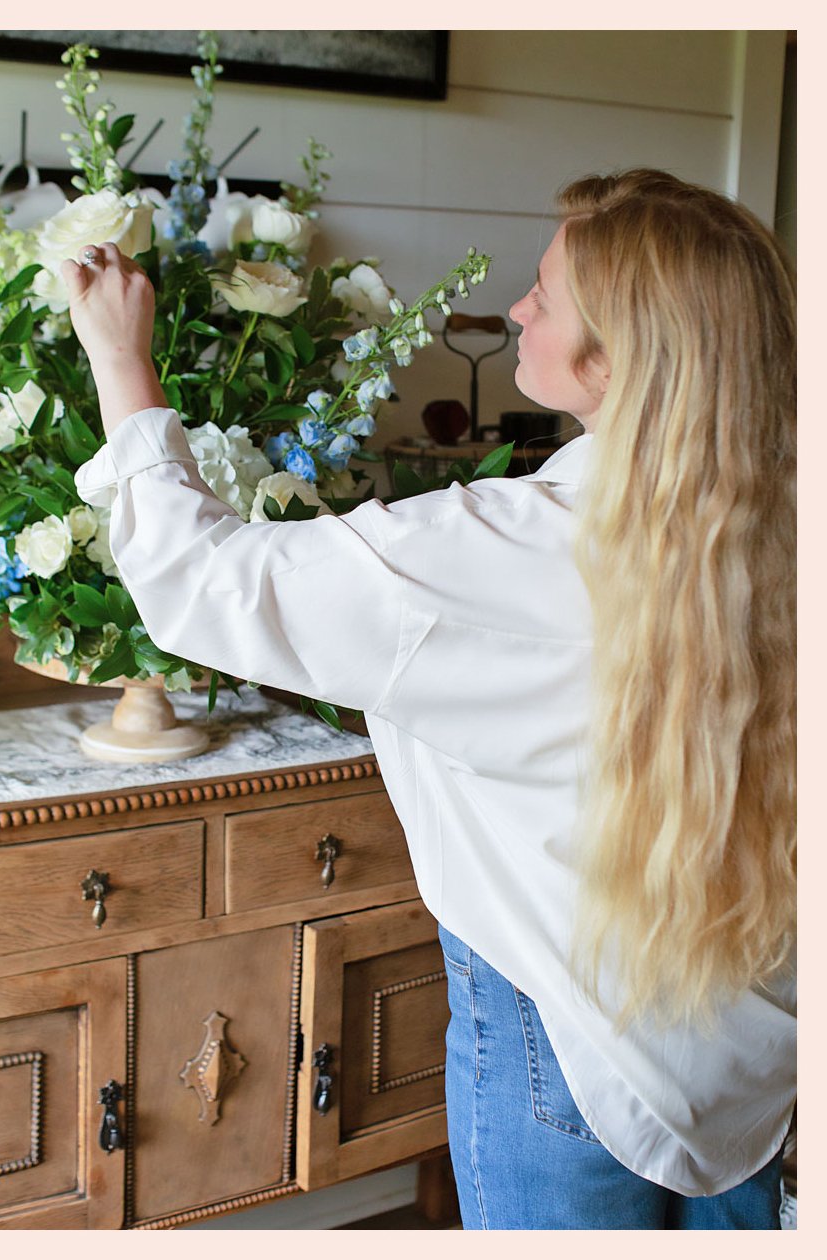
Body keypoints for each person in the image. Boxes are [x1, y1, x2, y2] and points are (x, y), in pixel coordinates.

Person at [64, 167, 796, 1230]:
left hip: (566, 1043)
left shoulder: (503, 548)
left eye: (544, 294)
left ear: (615, 356)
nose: (517, 310)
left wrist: (119, 359)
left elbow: (202, 584)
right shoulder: (780, 529)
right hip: (747, 1042)